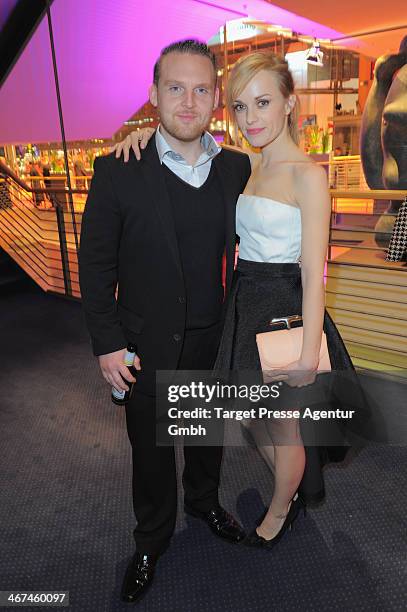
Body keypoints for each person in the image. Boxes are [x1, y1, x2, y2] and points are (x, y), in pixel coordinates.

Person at [118, 51, 355, 549]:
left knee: (283, 426)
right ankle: (295, 482)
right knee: (251, 415)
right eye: (241, 107)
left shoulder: (308, 175)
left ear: (290, 102)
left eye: (263, 102)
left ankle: (279, 508)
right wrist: (142, 137)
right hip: (244, 305)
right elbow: (189, 146)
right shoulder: (248, 164)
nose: (251, 119)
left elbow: (316, 272)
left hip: (285, 309)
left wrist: (310, 350)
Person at [79, 40, 250, 605]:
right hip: (144, 343)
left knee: (204, 438)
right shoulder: (117, 170)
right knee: (150, 454)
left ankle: (204, 503)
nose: (188, 101)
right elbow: (96, 266)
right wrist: (107, 344)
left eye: (202, 90)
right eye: (175, 88)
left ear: (216, 100)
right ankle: (151, 539)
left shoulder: (236, 169)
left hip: (211, 337)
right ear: (153, 95)